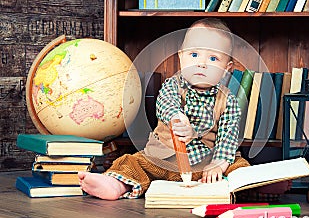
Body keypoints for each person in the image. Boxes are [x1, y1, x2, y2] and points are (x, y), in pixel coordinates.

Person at [78, 18, 250, 200]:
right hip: (161, 159)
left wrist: (218, 164)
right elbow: (165, 105)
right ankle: (116, 184)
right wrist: (177, 118)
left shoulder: (228, 100)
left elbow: (228, 137)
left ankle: (260, 185)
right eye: (194, 55)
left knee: (239, 166)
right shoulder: (173, 85)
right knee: (133, 162)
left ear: (226, 69)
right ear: (181, 57)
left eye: (213, 58)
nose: (202, 63)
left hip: (206, 165)